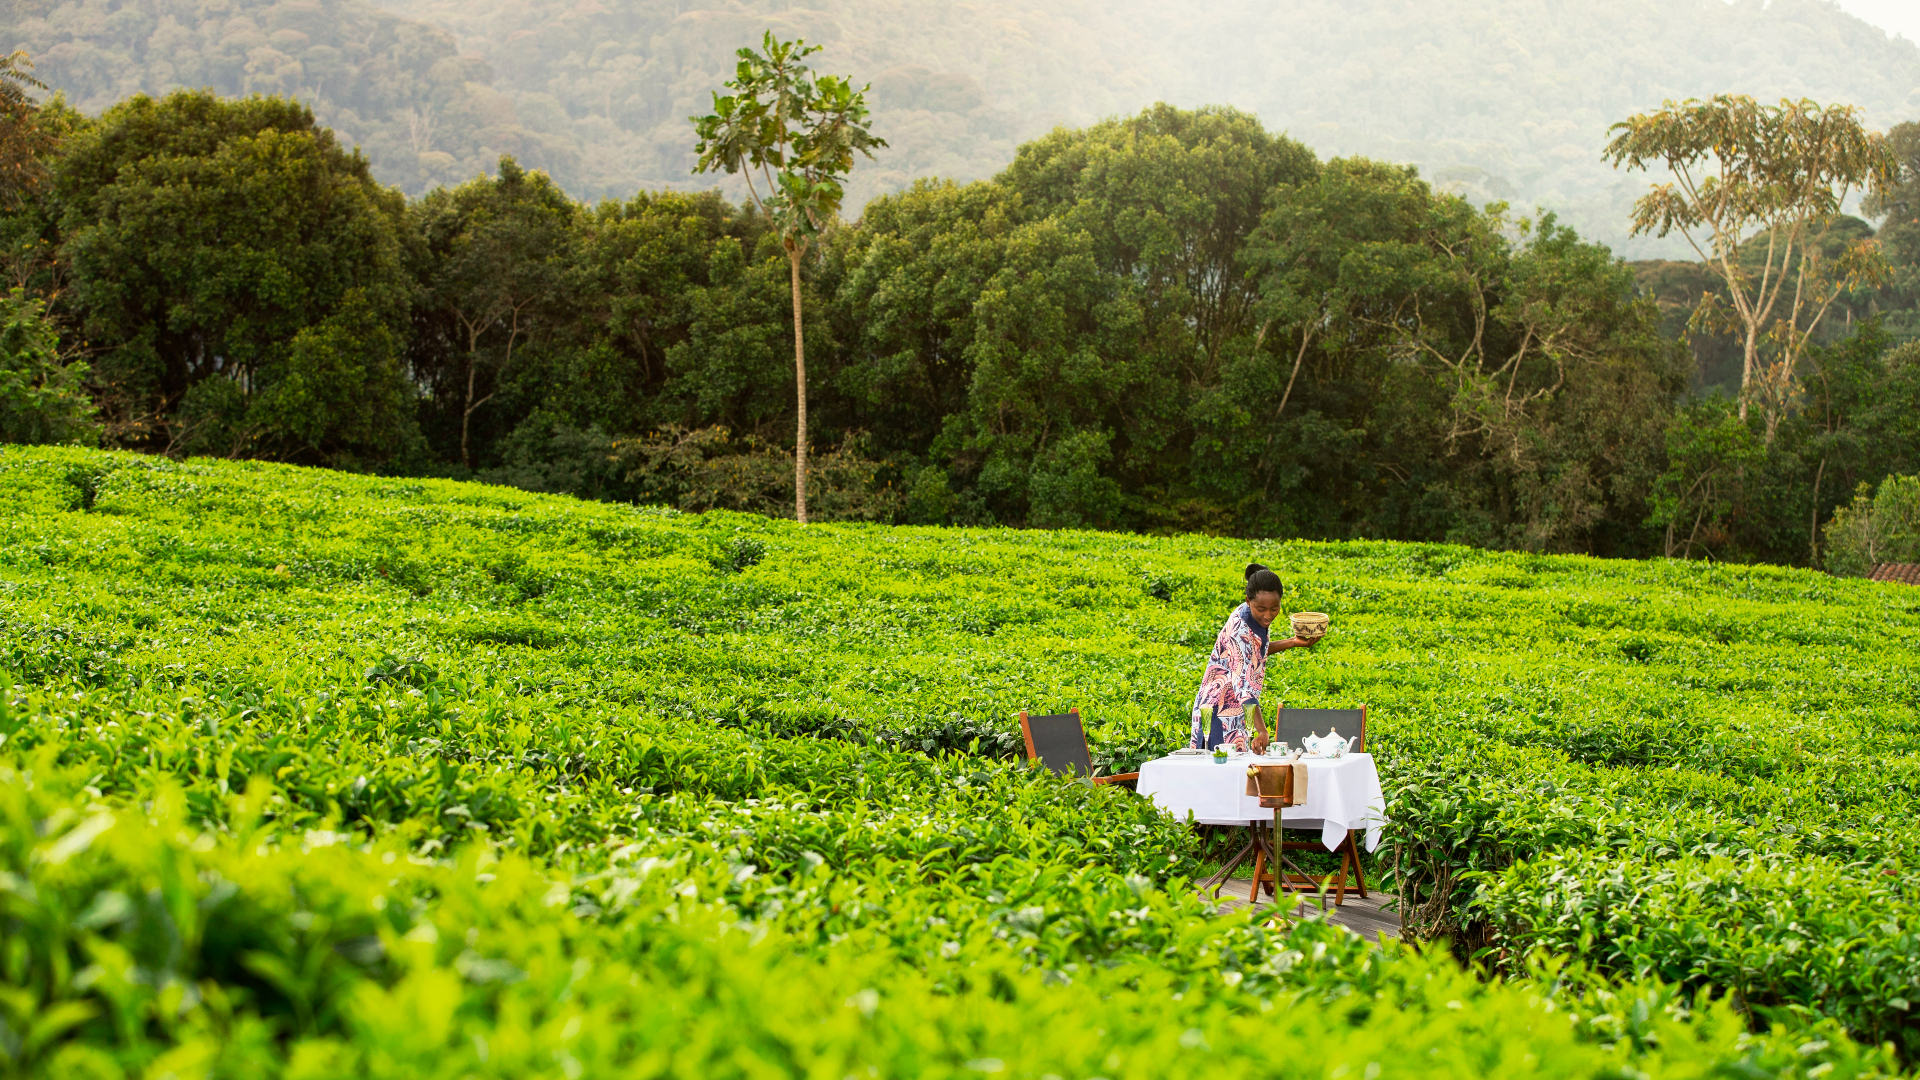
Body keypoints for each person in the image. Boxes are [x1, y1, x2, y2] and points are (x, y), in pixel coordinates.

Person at [1187, 563, 1319, 753]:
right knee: (1220, 773)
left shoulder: (1252, 614)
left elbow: (1254, 653)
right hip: (1218, 711)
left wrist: (1293, 642)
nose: (1268, 616)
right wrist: (1262, 731)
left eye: (1274, 609)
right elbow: (1243, 686)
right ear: (1248, 601)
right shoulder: (1239, 628)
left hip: (1239, 709)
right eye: (1262, 609)